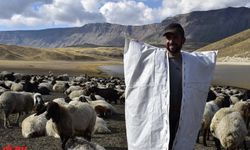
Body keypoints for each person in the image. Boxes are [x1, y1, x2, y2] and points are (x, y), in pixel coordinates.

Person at [124, 23, 217, 150]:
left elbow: (205, 67)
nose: (171, 41)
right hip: (159, 115)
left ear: (183, 40)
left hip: (181, 117)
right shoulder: (154, 60)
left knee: (178, 144)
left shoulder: (192, 63)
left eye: (175, 37)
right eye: (168, 38)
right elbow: (137, 58)